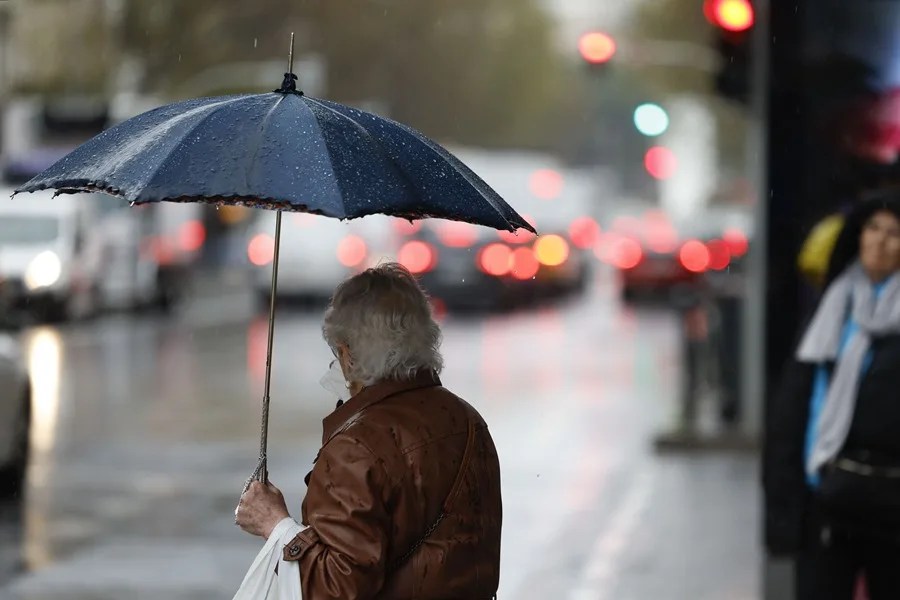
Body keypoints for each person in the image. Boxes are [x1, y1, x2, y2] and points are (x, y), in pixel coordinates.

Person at [235, 262, 503, 599]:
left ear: (348, 354)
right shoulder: (468, 420)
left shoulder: (356, 447)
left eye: (337, 351)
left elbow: (336, 589)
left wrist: (275, 526)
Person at [764, 191, 900, 599]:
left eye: (894, 233)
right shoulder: (831, 310)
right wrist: (784, 504)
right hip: (826, 494)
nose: (879, 241)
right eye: (872, 228)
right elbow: (795, 408)